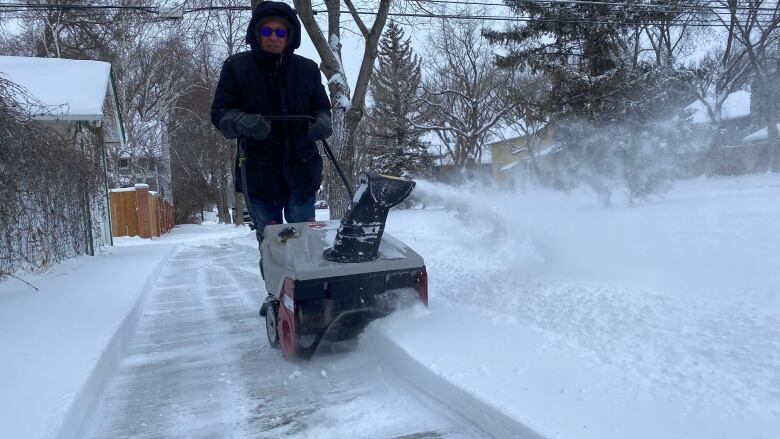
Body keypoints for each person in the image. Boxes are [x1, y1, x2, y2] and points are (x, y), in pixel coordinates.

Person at [210, 1, 332, 249]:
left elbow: (321, 108)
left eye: (280, 32)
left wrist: (322, 122)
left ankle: (307, 286)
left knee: (304, 242)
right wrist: (241, 121)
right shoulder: (236, 67)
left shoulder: (307, 69)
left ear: (290, 36)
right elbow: (220, 113)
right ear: (257, 34)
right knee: (273, 245)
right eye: (267, 31)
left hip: (301, 172)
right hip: (259, 173)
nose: (273, 37)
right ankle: (275, 288)